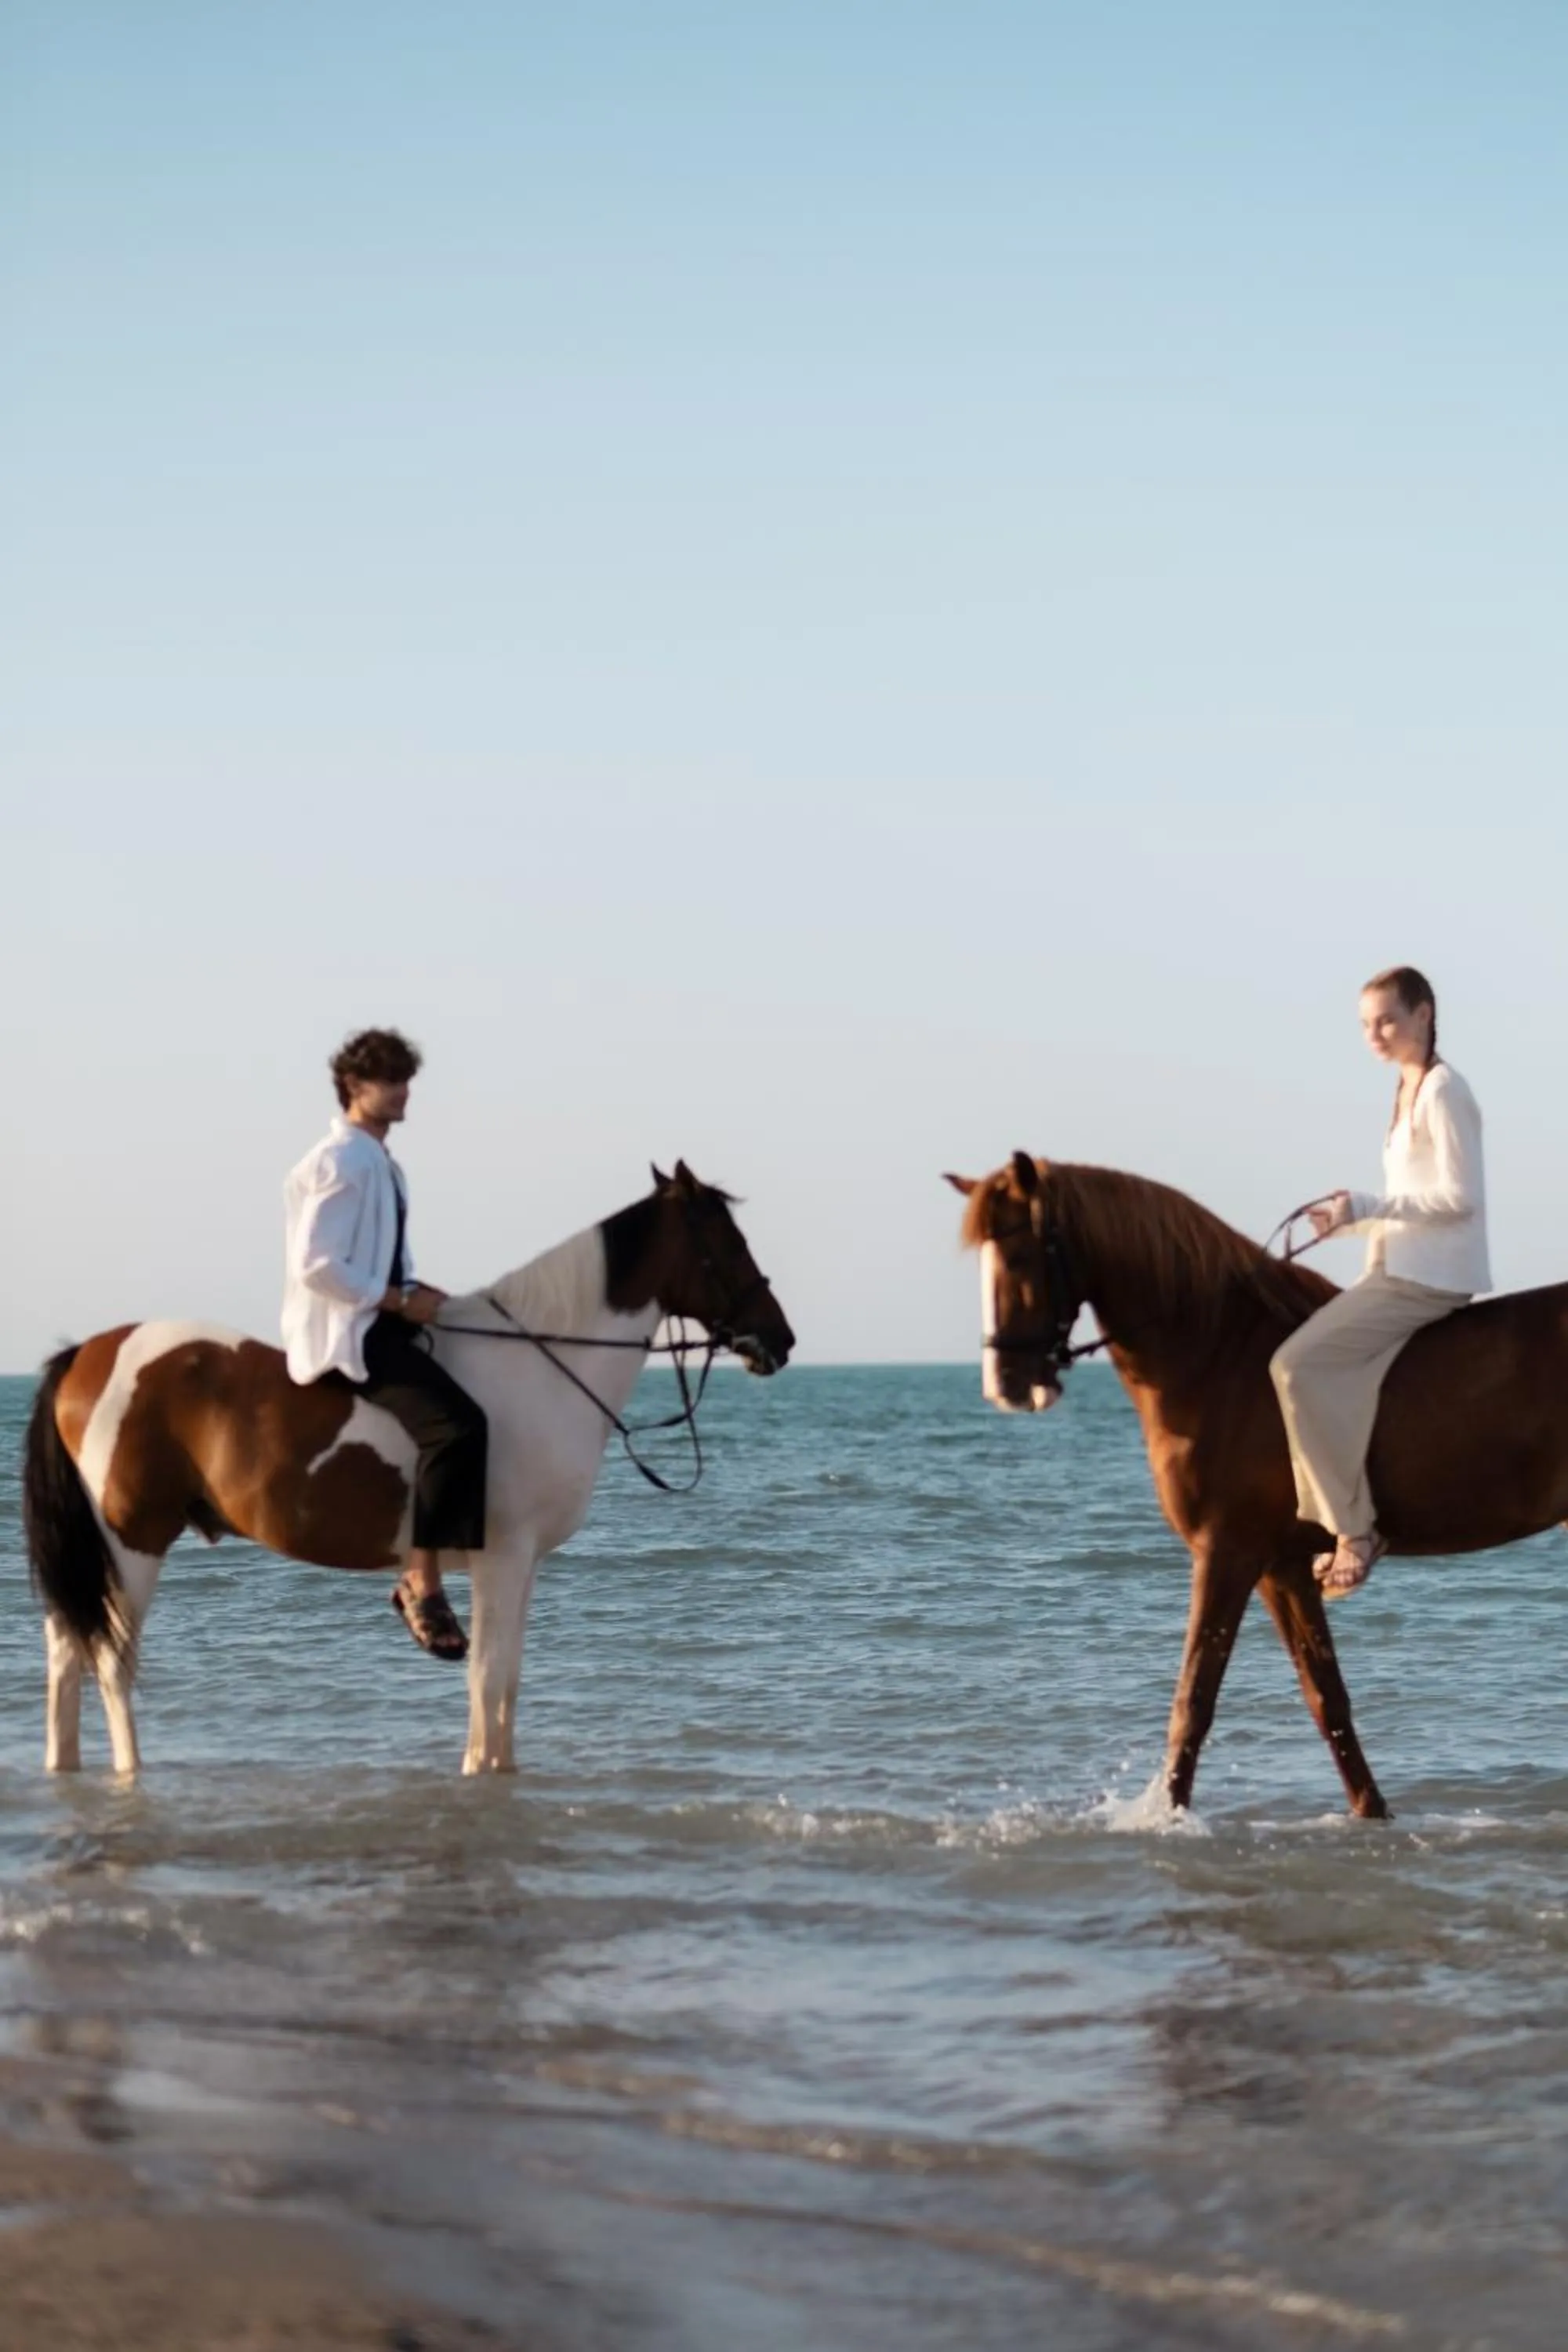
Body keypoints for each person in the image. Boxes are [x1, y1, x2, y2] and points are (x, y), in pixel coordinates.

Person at [1270, 966, 1490, 1599]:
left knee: (1294, 1366)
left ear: (1424, 1014)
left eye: (1387, 1020)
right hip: (1400, 1265)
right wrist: (1350, 1223)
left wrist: (1368, 1205)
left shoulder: (1444, 1089)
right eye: (1366, 1024)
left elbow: (1460, 1199)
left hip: (1431, 1277)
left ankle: (1354, 1531)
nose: (1374, 1034)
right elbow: (1412, 1201)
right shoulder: (1406, 1087)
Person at [281, 1027, 486, 1659]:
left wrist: (417, 1294)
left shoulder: (380, 1162)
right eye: (389, 1080)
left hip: (379, 1316)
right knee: (458, 1427)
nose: (402, 1092)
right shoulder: (342, 1160)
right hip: (350, 1332)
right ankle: (422, 1580)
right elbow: (315, 1264)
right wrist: (397, 1300)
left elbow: (376, 1261)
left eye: (406, 1081)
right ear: (353, 1085)